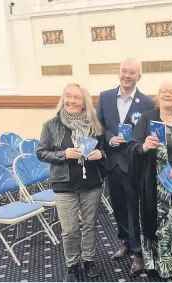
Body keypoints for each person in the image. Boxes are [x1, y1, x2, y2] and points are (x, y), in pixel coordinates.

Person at [125, 81, 172, 280]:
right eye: (164, 91)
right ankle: (161, 265)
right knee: (160, 224)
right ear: (157, 96)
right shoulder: (147, 119)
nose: (168, 94)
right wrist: (145, 146)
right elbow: (132, 147)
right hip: (155, 187)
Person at [37, 83, 106, 282]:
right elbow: (41, 153)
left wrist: (99, 153)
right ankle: (72, 264)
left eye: (76, 97)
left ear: (84, 101)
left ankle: (89, 259)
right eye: (68, 96)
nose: (71, 101)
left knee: (89, 225)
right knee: (69, 229)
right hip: (63, 184)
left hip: (91, 183)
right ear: (63, 98)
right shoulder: (51, 125)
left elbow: (105, 151)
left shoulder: (94, 125)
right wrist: (63, 154)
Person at [96, 58, 154, 275]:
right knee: (118, 207)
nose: (127, 75)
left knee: (133, 208)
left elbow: (149, 133)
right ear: (119, 73)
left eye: (132, 72)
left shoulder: (147, 103)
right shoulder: (105, 97)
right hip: (112, 163)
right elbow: (99, 125)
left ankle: (138, 252)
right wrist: (110, 139)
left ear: (139, 76)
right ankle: (126, 242)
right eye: (123, 71)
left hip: (134, 164)